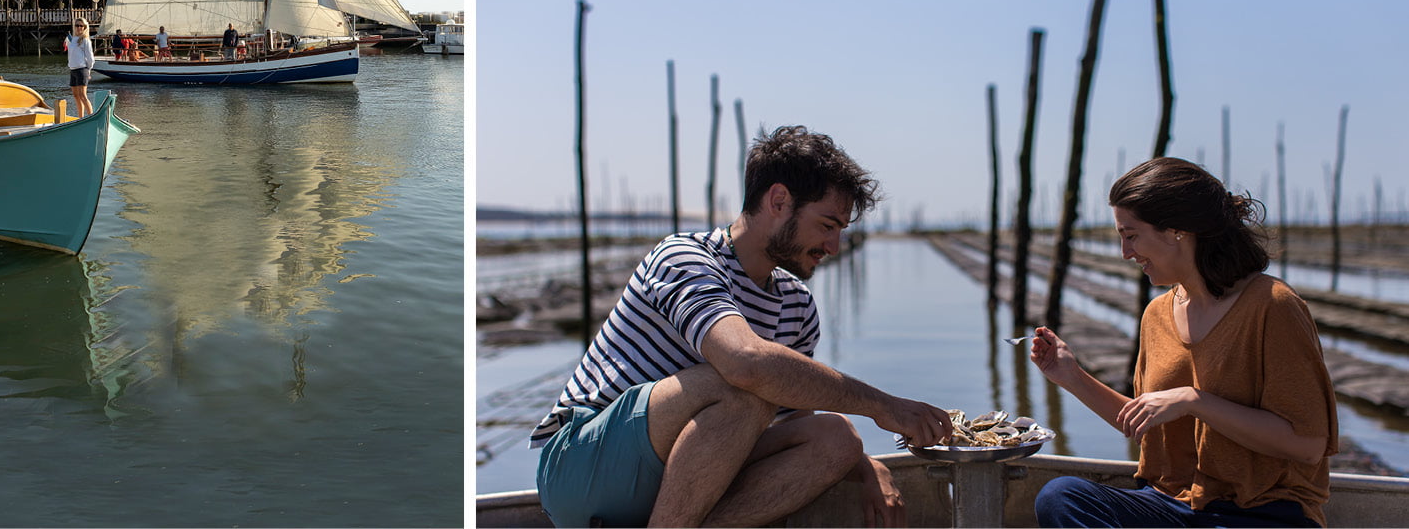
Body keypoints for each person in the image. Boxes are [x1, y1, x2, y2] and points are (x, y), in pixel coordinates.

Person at [530, 126, 953, 528]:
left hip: (678, 486)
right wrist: (886, 406)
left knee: (836, 436)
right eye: (827, 226)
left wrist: (866, 467)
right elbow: (745, 364)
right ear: (778, 201)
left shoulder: (797, 304)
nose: (833, 247)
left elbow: (793, 420)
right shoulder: (683, 257)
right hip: (583, 468)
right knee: (745, 384)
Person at [1031, 157, 1336, 528]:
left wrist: (1196, 401)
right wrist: (1071, 376)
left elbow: (1307, 446)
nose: (1126, 253)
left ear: (1178, 230)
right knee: (1061, 496)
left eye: (1131, 235)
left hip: (1263, 513)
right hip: (1171, 506)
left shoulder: (1272, 305)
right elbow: (1145, 418)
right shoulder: (1156, 314)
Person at [66, 18, 95, 117]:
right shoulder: (73, 39)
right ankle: (80, 117)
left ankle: (91, 117)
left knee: (83, 96)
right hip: (73, 69)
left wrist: (89, 70)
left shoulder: (85, 41)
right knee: (76, 96)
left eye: (81, 26)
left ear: (84, 27)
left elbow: (90, 58)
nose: (78, 27)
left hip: (82, 69)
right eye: (77, 25)